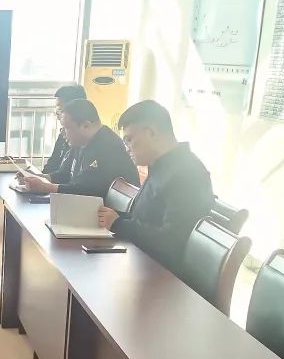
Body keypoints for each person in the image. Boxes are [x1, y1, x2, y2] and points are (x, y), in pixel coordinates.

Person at [98, 100, 214, 274]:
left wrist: (118, 224)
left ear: (151, 132)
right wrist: (112, 217)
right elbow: (144, 218)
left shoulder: (187, 173)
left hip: (163, 277)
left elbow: (170, 241)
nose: (127, 148)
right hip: (141, 261)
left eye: (129, 139)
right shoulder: (162, 166)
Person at [19, 98, 139, 197]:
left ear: (85, 126)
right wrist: (36, 178)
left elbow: (84, 190)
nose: (62, 133)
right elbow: (65, 174)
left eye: (67, 128)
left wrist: (45, 187)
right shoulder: (81, 142)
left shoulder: (107, 147)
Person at [41, 84, 87, 176]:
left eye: (60, 110)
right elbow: (52, 163)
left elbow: (67, 175)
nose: (57, 114)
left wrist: (43, 180)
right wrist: (36, 177)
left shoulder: (82, 139)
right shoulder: (63, 133)